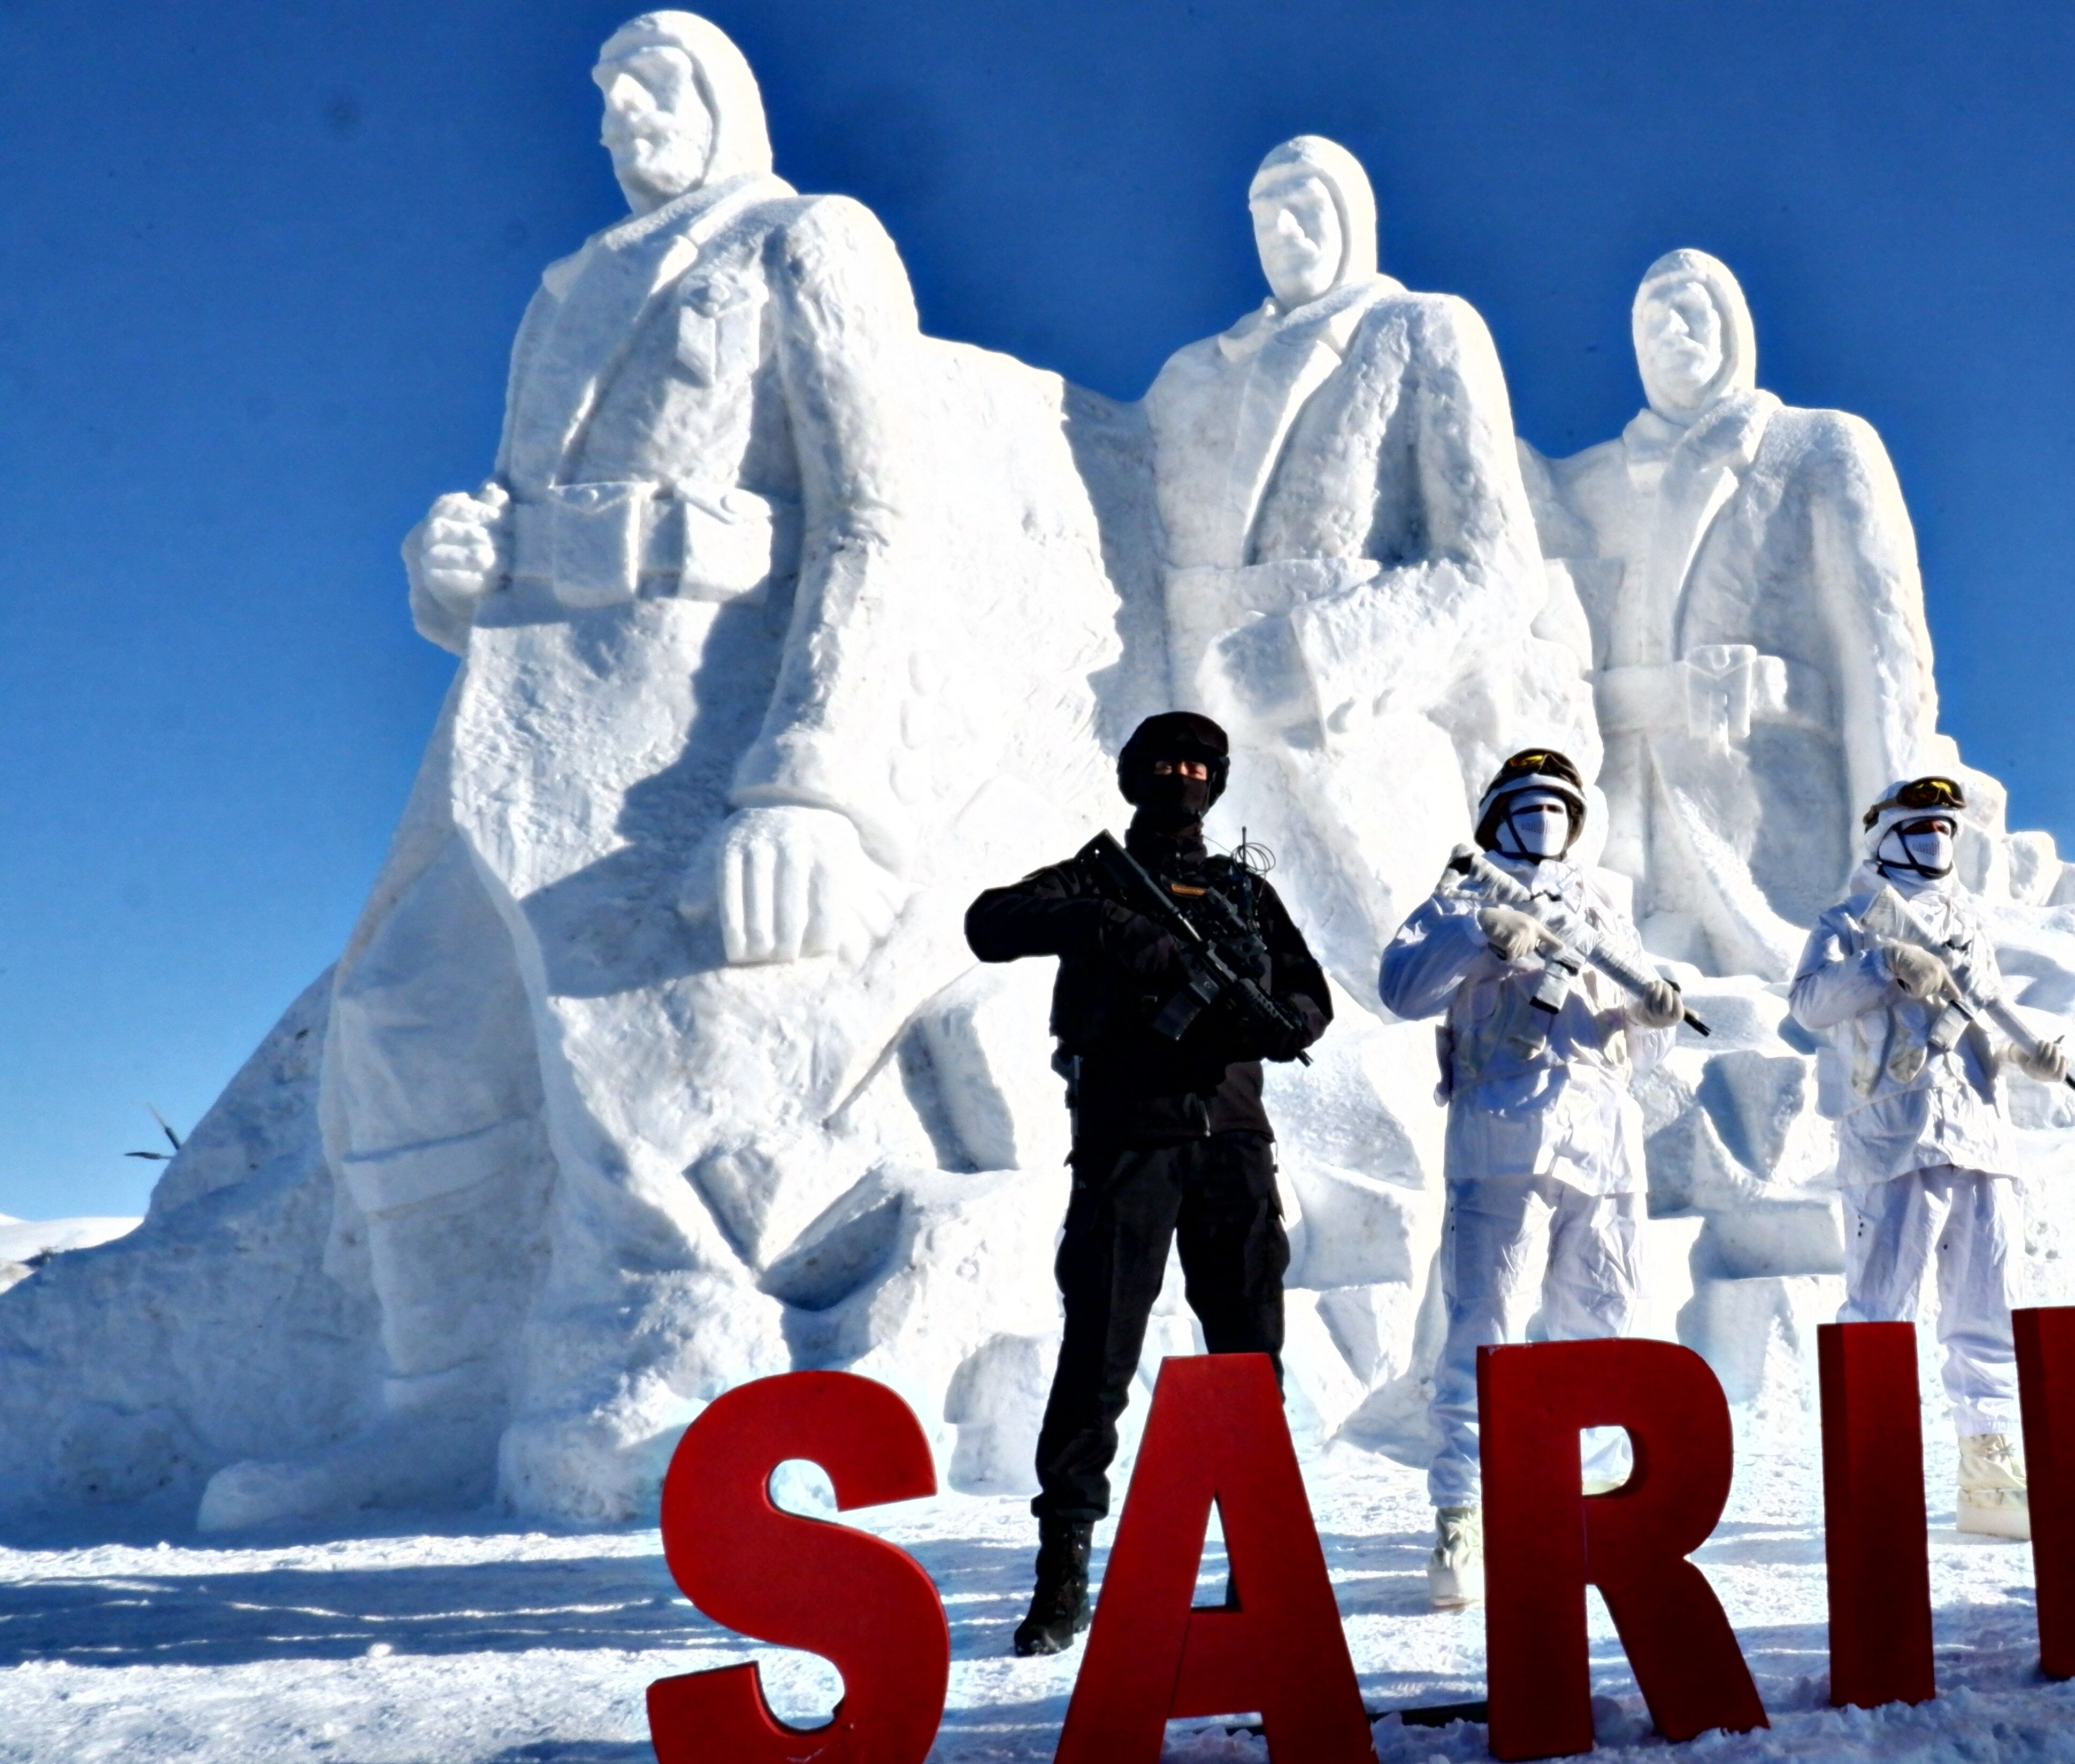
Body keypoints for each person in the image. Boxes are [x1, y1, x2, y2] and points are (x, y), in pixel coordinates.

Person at [203, 10, 1107, 1529]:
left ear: (726, 101)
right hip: (509, 713)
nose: (626, 117)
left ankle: (684, 1377)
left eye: (657, 88)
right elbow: (524, 509)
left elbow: (878, 519)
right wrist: (454, 569)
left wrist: (811, 780)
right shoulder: (565, 291)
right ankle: (436, 1402)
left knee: (648, 1074)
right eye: (608, 97)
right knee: (404, 1016)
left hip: (690, 716)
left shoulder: (808, 241)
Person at [1144, 135, 1594, 1004]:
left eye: (1306, 205)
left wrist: (1314, 657)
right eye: (1266, 213)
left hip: (1351, 726)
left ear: (1355, 218)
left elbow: (1497, 569)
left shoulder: (1422, 327)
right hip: (1195, 739)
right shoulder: (1191, 377)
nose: (1285, 229)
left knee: (1397, 997)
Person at [966, 712, 1333, 1654]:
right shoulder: (1098, 880)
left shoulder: (1242, 891)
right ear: (1135, 777)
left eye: (1200, 767)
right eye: (1166, 764)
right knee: (1098, 1356)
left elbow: (1311, 996)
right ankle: (1063, 1570)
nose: (1184, 779)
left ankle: (1261, 1562)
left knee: (1250, 1363)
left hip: (1233, 1145)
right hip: (1130, 1142)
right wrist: (1106, 927)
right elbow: (989, 923)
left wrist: (1274, 1019)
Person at [1535, 250, 1941, 978]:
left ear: (1733, 325)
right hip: (1619, 827)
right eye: (1650, 321)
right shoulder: (1585, 484)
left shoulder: (1816, 445)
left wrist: (1899, 853)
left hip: (1769, 821)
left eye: (1689, 310)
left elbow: (1882, 662)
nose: (1670, 331)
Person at [1376, 750, 1683, 1606]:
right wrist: (1477, 934)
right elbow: (1402, 989)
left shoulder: (1600, 902)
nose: (1545, 819)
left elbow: (1637, 1029)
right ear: (1497, 815)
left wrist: (1653, 1010)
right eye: (1529, 804)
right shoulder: (1463, 893)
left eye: (1559, 806)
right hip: (1500, 1128)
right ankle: (1463, 1509)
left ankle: (1589, 1488)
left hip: (1602, 1132)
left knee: (1602, 1313)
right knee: (1486, 1324)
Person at [1788, 775, 2070, 1539]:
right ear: (1886, 837)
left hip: (1978, 1135)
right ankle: (1870, 1473)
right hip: (1893, 1136)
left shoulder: (1969, 923)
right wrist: (1884, 965)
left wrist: (2024, 1053)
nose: (1938, 841)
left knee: (1986, 1311)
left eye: (1948, 829)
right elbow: (1809, 1005)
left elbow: (1981, 1018)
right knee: (1880, 1312)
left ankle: (1990, 1473)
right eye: (1922, 827)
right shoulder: (1849, 920)